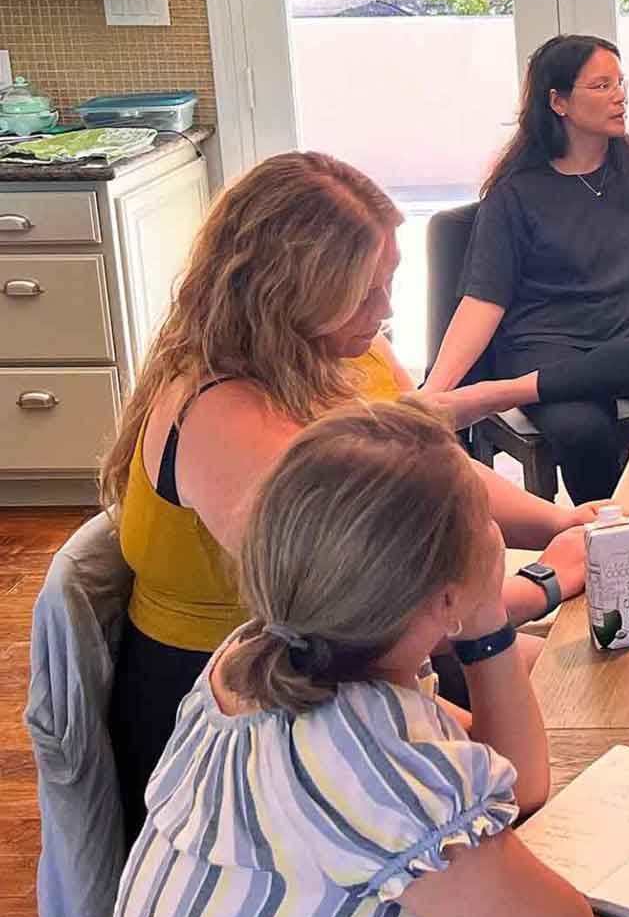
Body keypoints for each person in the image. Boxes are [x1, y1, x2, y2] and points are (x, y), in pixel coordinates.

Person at [67, 401, 600, 917]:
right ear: (443, 598)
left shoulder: (255, 659)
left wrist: (484, 620)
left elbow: (517, 780)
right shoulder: (370, 760)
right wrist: (486, 615)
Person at [97, 151, 591, 850]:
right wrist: (546, 580)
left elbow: (431, 463)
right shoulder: (223, 415)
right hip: (251, 707)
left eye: (387, 283)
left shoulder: (333, 352)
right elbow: (368, 601)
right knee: (535, 770)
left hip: (361, 658)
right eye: (364, 292)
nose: (384, 310)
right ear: (287, 291)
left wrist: (559, 522)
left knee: (591, 688)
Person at [422, 33, 629, 502]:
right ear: (557, 101)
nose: (619, 95)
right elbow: (483, 301)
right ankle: (607, 546)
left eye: (621, 83)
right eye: (601, 86)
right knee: (583, 432)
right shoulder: (515, 193)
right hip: (543, 346)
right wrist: (435, 394)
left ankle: (500, 393)